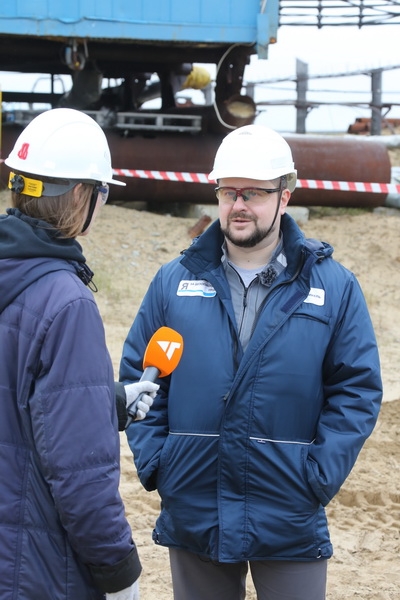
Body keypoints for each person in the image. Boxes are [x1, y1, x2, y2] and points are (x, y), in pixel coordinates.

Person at [118, 124, 382, 600]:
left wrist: (317, 475)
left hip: (289, 509)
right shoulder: (173, 282)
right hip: (195, 504)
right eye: (228, 191)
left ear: (285, 196)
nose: (238, 205)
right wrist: (161, 462)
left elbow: (357, 389)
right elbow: (142, 377)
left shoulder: (333, 288)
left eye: (254, 193)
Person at [0, 108, 159, 600]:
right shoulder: (66, 303)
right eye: (102, 192)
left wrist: (105, 401)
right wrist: (119, 572)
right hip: (35, 570)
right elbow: (80, 475)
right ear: (78, 195)